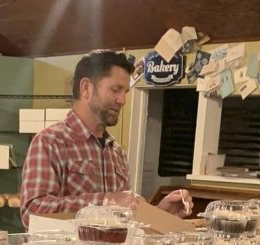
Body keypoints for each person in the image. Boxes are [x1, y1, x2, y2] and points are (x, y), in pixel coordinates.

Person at [20, 49, 192, 229]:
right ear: (86, 88)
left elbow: (125, 222)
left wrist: (160, 214)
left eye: (125, 92)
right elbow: (32, 213)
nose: (122, 100)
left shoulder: (115, 151)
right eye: (115, 90)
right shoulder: (50, 142)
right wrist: (104, 201)